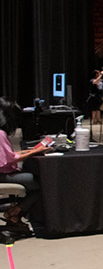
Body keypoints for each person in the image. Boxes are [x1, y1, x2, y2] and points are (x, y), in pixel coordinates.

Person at [0, 98, 50, 235]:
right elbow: (10, 159)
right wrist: (34, 152)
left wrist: (29, 151)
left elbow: (8, 155)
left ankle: (15, 214)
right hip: (3, 176)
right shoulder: (0, 134)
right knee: (42, 184)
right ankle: (16, 211)